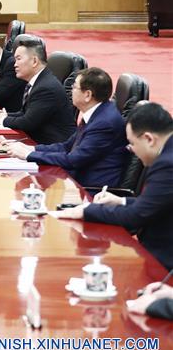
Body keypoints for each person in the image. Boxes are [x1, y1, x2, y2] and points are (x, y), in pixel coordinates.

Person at [53, 103, 173, 270]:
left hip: (163, 263)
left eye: (132, 144)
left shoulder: (167, 164)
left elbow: (138, 215)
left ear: (149, 139)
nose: (132, 150)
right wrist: (120, 201)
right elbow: (155, 203)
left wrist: (87, 211)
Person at [4, 67, 128, 187]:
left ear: (87, 95)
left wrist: (28, 155)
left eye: (74, 87)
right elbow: (67, 146)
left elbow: (74, 160)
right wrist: (32, 149)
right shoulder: (97, 113)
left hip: (91, 190)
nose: (71, 91)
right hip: (76, 180)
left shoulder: (104, 123)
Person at [0, 36, 77, 144]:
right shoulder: (39, 81)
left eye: (18, 59)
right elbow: (25, 113)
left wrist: (2, 120)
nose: (14, 64)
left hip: (53, 148)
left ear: (34, 61)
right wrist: (6, 115)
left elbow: (28, 122)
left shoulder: (46, 88)